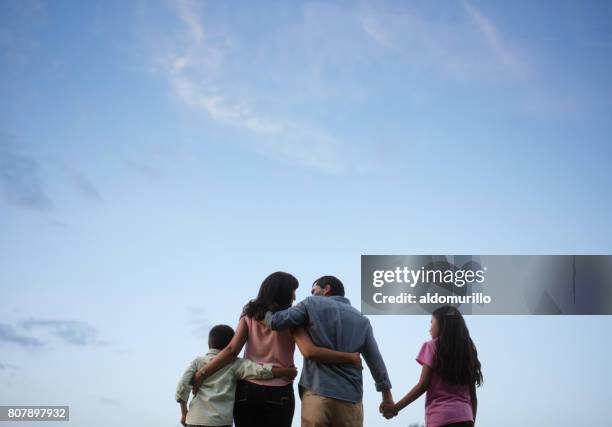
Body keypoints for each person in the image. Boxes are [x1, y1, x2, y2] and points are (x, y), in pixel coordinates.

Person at [191, 272, 360, 427]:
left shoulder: (249, 312)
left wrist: (202, 373)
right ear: (283, 291)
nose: (295, 295)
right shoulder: (294, 317)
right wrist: (348, 356)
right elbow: (308, 350)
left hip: (247, 389)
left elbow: (231, 351)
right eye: (293, 290)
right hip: (280, 390)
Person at [264, 275, 393, 427]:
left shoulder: (310, 304)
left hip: (317, 393)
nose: (312, 294)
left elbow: (275, 322)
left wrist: (263, 308)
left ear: (326, 289)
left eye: (314, 290)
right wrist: (387, 396)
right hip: (351, 399)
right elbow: (375, 360)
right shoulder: (362, 320)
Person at [175, 324, 297, 427]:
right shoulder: (235, 363)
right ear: (233, 343)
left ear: (209, 343)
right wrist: (285, 371)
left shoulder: (198, 362)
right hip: (221, 422)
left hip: (195, 419)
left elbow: (182, 385)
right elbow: (259, 371)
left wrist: (184, 412)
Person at [381, 305, 483, 427]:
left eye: (432, 323)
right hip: (466, 418)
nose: (429, 329)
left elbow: (423, 385)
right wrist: (471, 421)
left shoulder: (432, 346)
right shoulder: (468, 352)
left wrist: (395, 407)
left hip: (441, 419)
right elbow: (473, 397)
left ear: (442, 325)